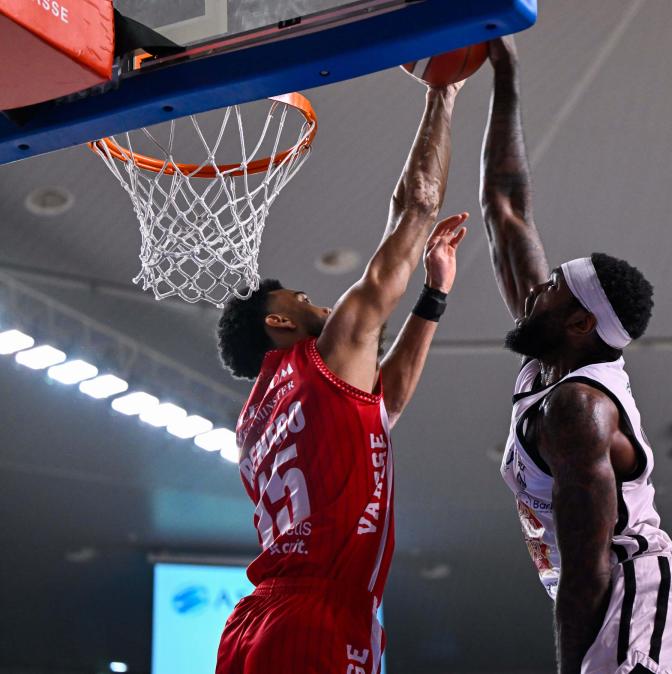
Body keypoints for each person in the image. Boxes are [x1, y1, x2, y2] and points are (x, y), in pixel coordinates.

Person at [480, 37, 672, 674]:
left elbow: (588, 569)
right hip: (620, 598)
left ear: (579, 321)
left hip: (638, 593)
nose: (534, 288)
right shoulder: (550, 359)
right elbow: (505, 206)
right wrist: (503, 73)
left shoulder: (579, 407)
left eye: (552, 287)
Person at [212, 76, 468, 674]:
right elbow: (417, 208)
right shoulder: (321, 360)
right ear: (279, 319)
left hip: (253, 622)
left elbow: (385, 407)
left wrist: (434, 296)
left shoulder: (255, 418)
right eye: (302, 297)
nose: (320, 302)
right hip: (317, 619)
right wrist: (443, 93)